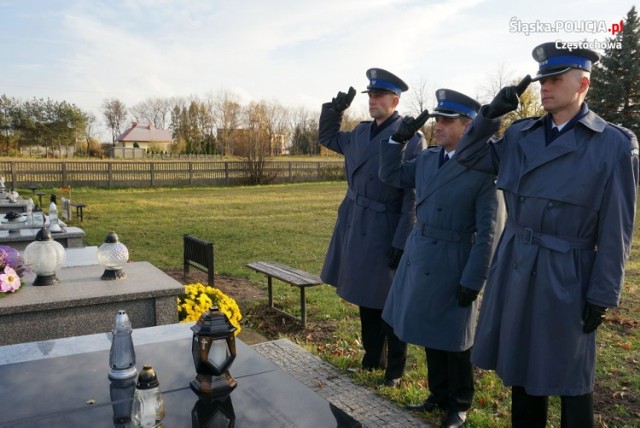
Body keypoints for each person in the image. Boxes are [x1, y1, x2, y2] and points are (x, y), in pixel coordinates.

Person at [454, 42, 639, 427]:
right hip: (517, 265)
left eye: (555, 79)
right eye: (542, 80)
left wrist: (603, 294)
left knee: (572, 376)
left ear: (583, 83)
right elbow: (469, 156)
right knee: (522, 368)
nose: (545, 87)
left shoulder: (612, 145)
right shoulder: (522, 135)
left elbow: (617, 228)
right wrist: (489, 116)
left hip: (568, 272)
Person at [379, 89, 501, 428]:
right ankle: (437, 393)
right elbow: (391, 176)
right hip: (422, 253)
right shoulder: (429, 158)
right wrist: (396, 142)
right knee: (430, 328)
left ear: (468, 126)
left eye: (448, 121)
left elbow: (489, 231)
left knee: (455, 337)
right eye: (438, 120)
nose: (439, 126)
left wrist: (474, 279)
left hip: (456, 258)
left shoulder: (483, 168)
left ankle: (459, 403)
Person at [319, 68, 426, 387]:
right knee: (365, 295)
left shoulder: (411, 136)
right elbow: (327, 138)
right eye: (371, 96)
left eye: (380, 97)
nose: (373, 101)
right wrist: (334, 111)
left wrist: (402, 240)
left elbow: (412, 194)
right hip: (355, 222)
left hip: (386, 226)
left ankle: (395, 369)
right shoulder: (360, 132)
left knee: (390, 300)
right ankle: (371, 359)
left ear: (395, 100)